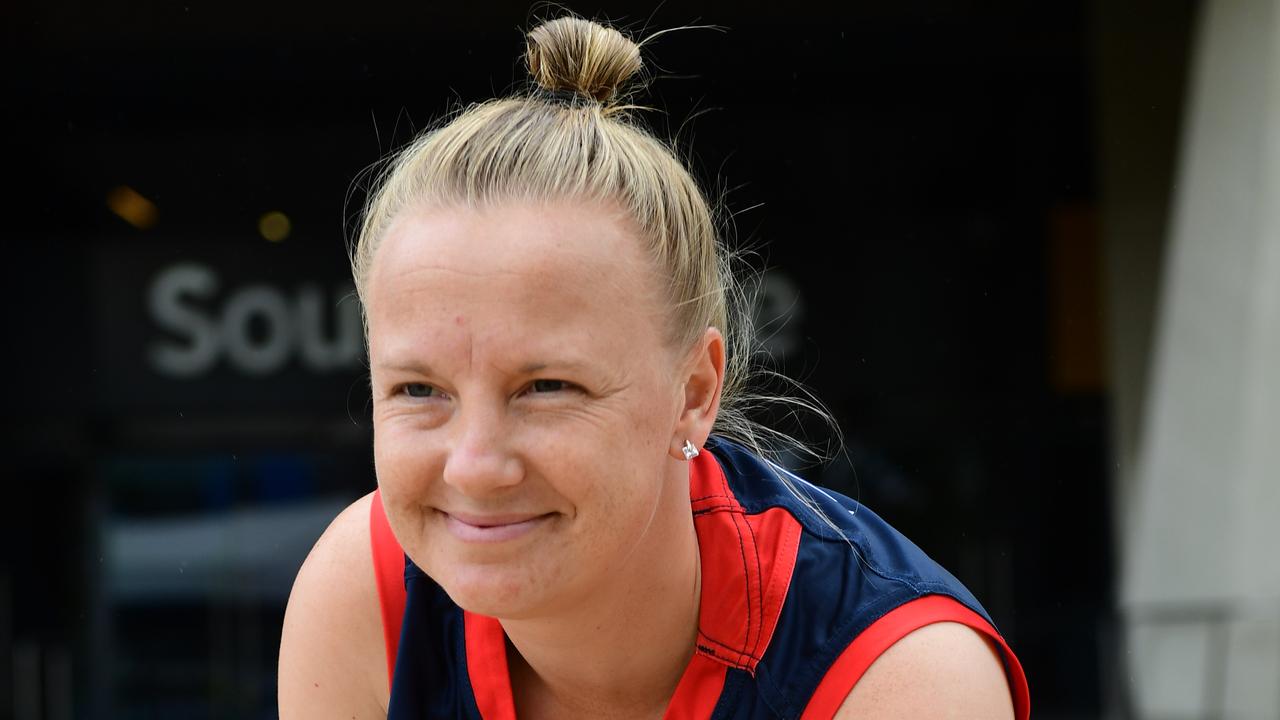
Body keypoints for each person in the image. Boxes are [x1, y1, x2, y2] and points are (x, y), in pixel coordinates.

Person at [278, 14, 1030, 720]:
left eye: (547, 387)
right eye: (418, 389)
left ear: (695, 392)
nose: (475, 467)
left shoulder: (902, 679)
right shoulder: (368, 593)